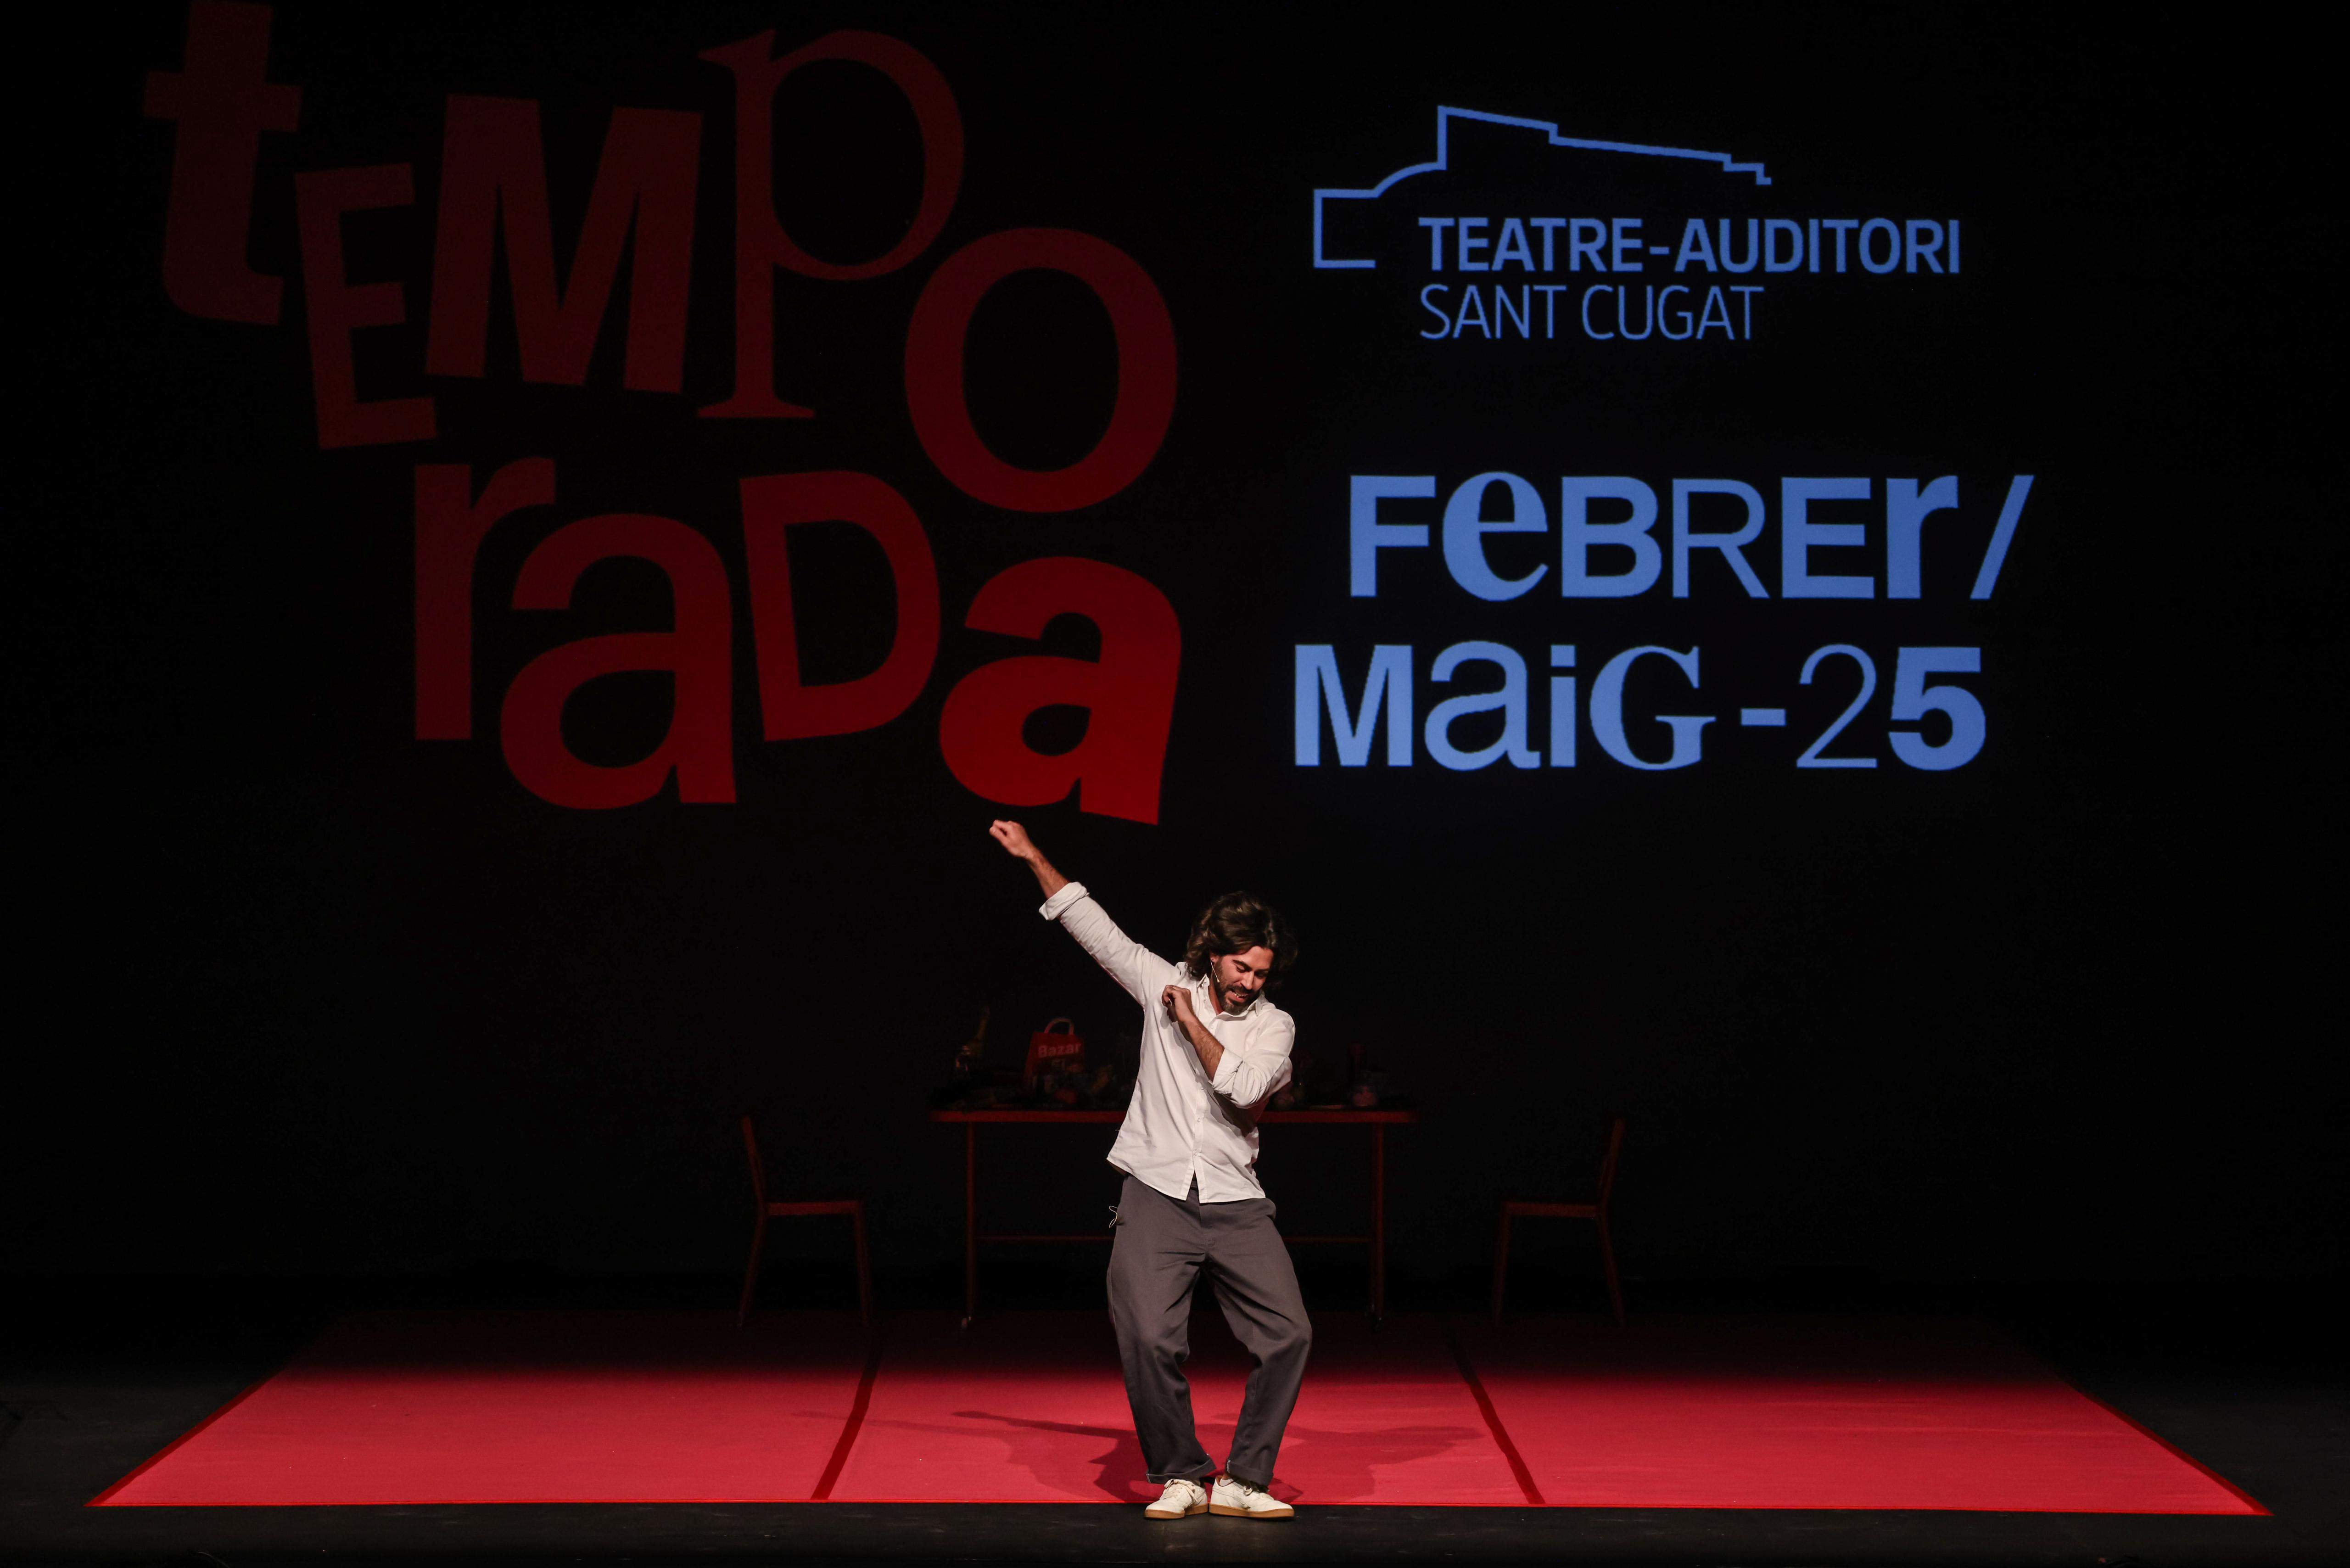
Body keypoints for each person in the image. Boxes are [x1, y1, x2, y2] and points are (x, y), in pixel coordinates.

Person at [989, 819, 1310, 1522]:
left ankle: (1245, 1478)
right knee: (1145, 1334)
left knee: (1289, 1333)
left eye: (1261, 974)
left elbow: (1241, 1090)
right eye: (1240, 969)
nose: (1250, 984)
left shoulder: (1273, 1026)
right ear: (1213, 955)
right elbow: (1094, 928)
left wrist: (1189, 1022)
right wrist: (1034, 855)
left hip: (1235, 1199)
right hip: (1157, 1192)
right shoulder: (1162, 979)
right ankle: (1183, 1473)